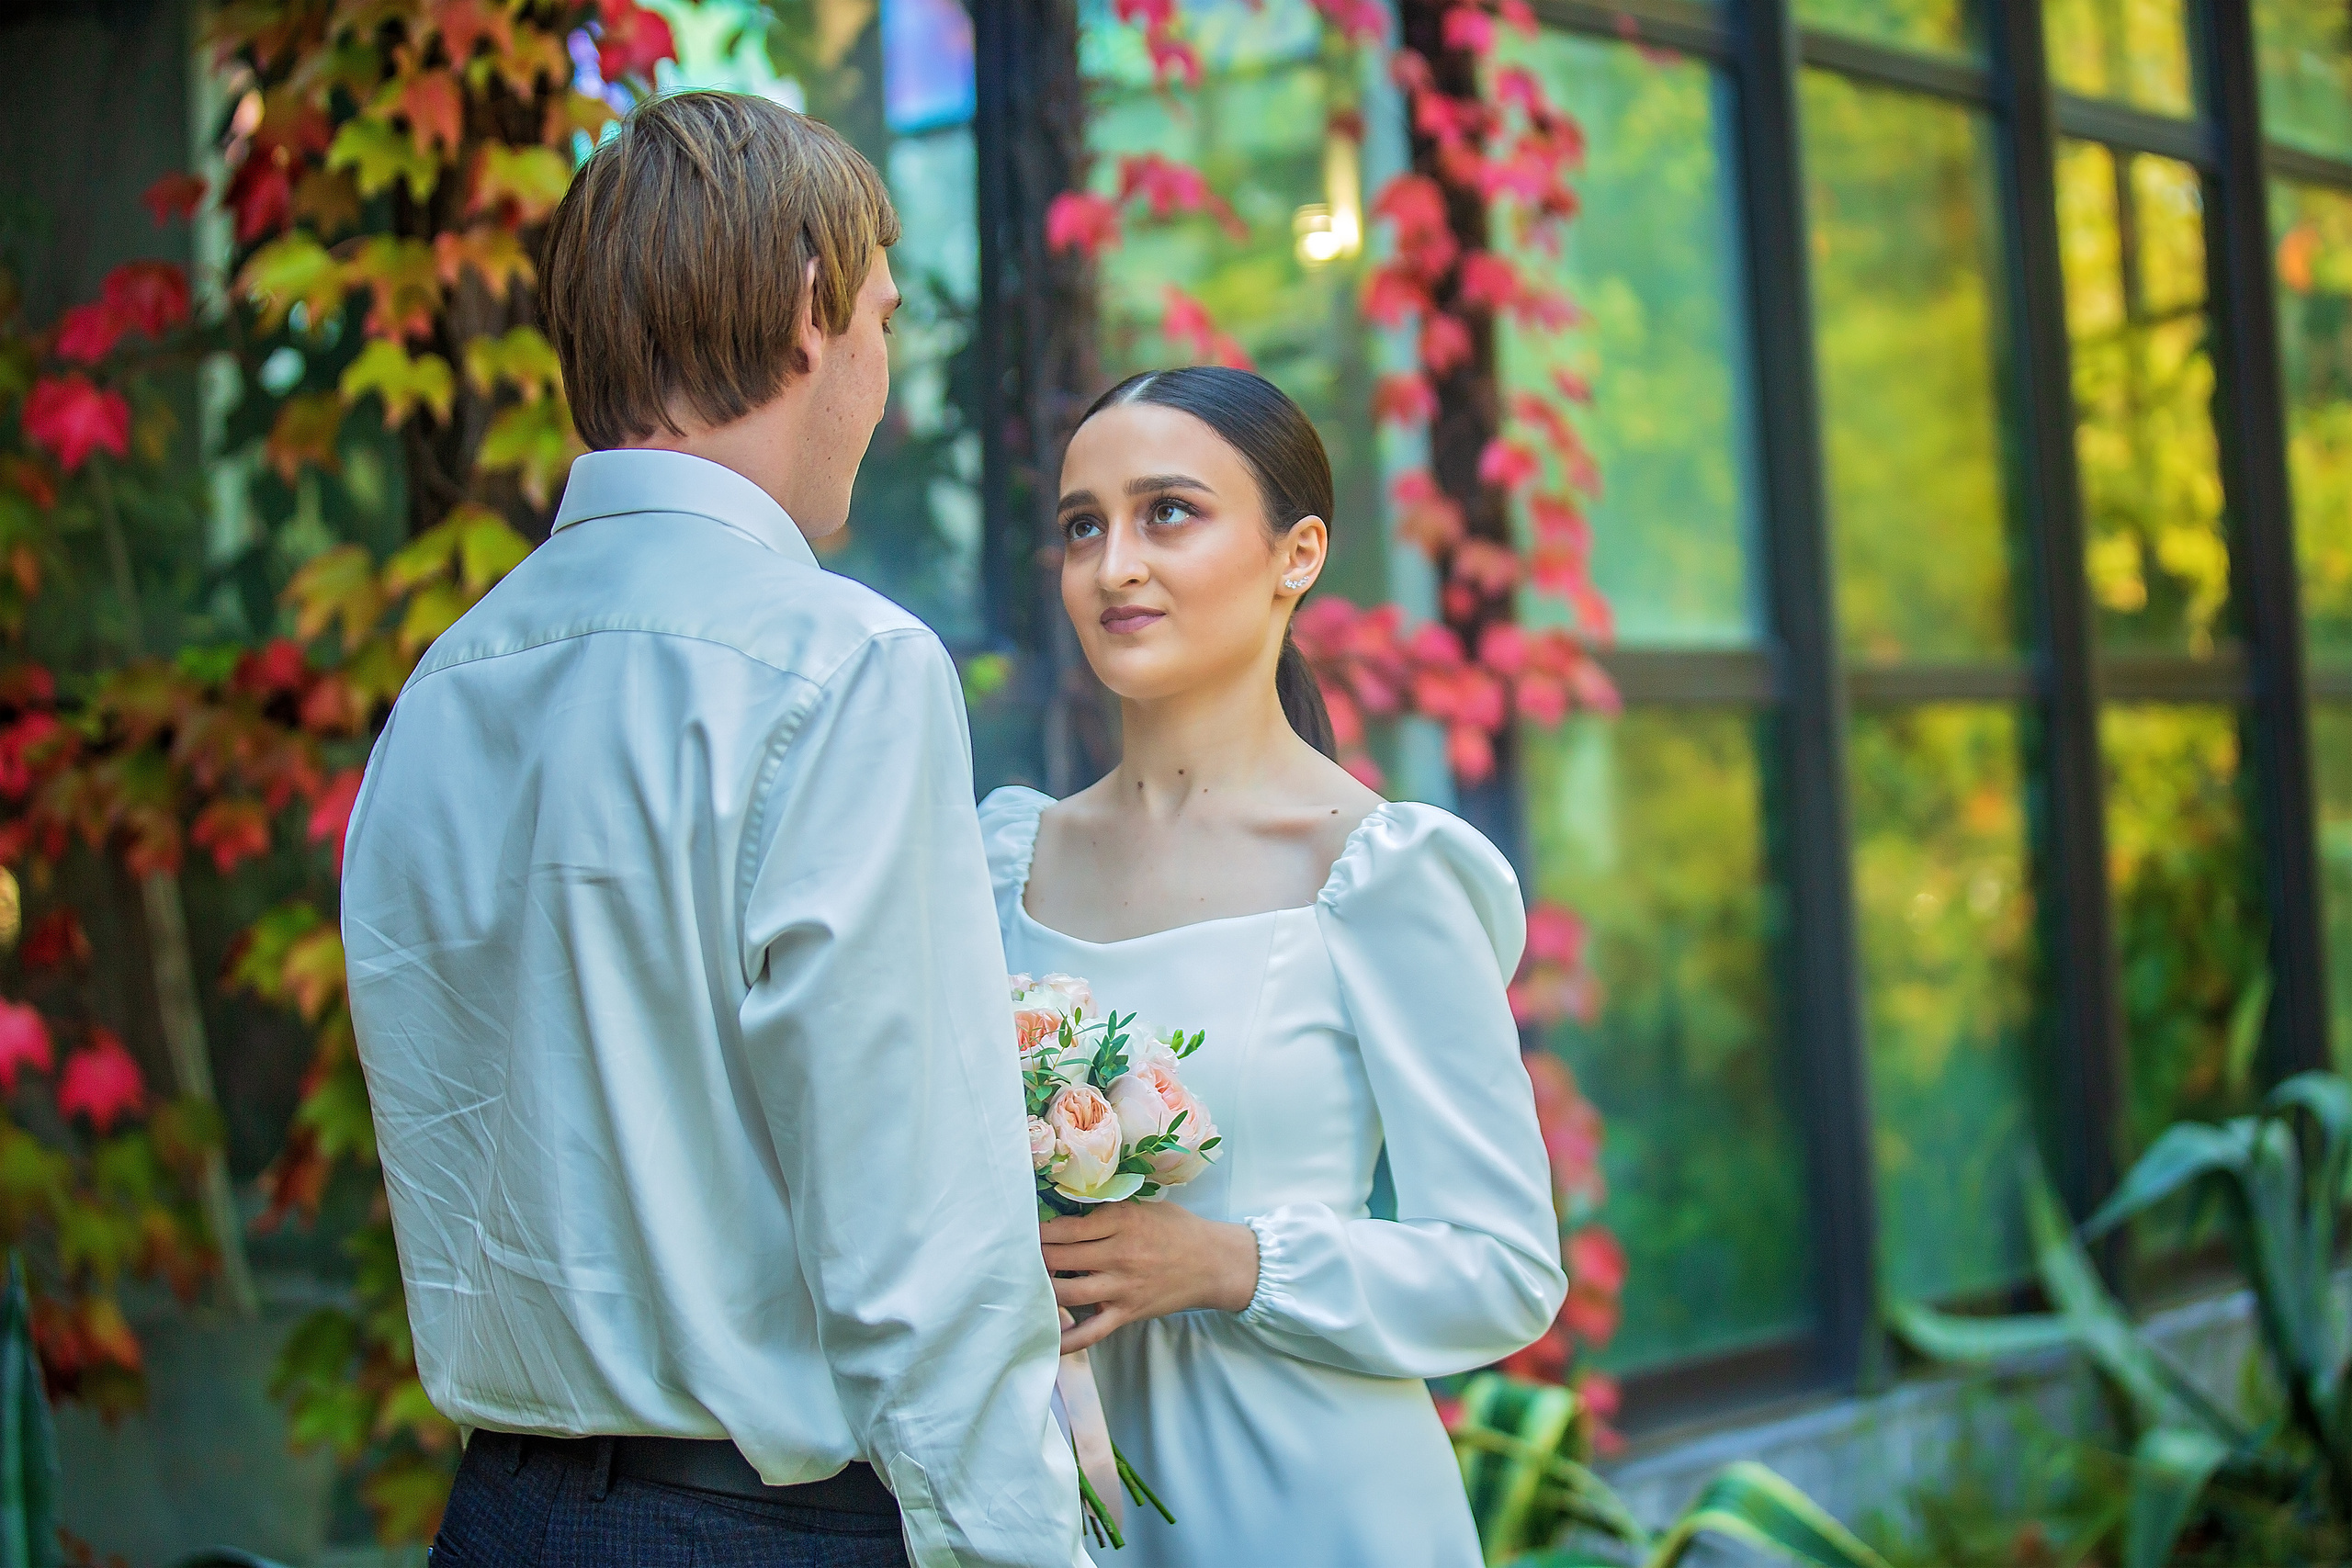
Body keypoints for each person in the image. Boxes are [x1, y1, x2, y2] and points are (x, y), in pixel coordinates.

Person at [341, 92, 1086, 1568]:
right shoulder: (844, 666)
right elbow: (917, 1237)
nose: (888, 382)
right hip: (766, 1527)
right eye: (883, 320)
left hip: (497, 1519)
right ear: (812, 311)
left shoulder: (441, 688)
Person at [980, 366, 1570, 1567]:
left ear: (1297, 554)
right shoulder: (999, 864)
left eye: (1169, 513)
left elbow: (1506, 1270)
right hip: (1049, 1508)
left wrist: (1226, 1261)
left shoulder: (1377, 874)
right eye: (1083, 526)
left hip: (1314, 1506)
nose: (1113, 566)